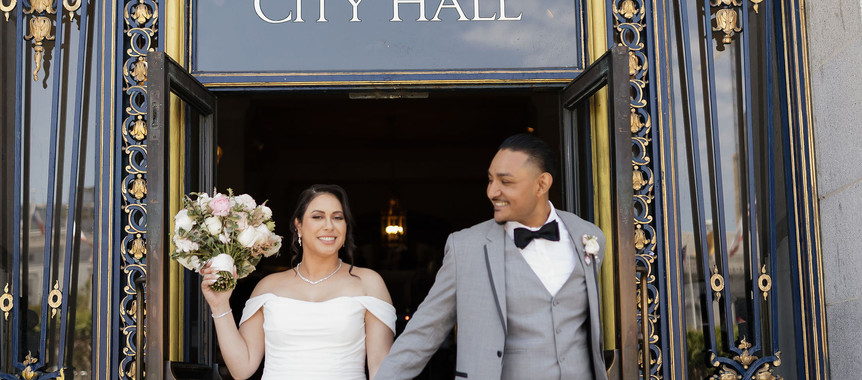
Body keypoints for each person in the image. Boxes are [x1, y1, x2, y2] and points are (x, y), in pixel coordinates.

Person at [376, 134, 608, 380]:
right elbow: (426, 330)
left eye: (505, 182)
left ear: (542, 184)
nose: (491, 192)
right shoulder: (465, 247)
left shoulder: (588, 236)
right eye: (490, 180)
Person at [200, 184, 395, 379]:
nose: (329, 225)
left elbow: (381, 369)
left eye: (338, 217)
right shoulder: (268, 286)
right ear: (298, 226)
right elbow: (241, 369)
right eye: (317, 216)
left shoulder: (368, 283)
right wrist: (219, 306)